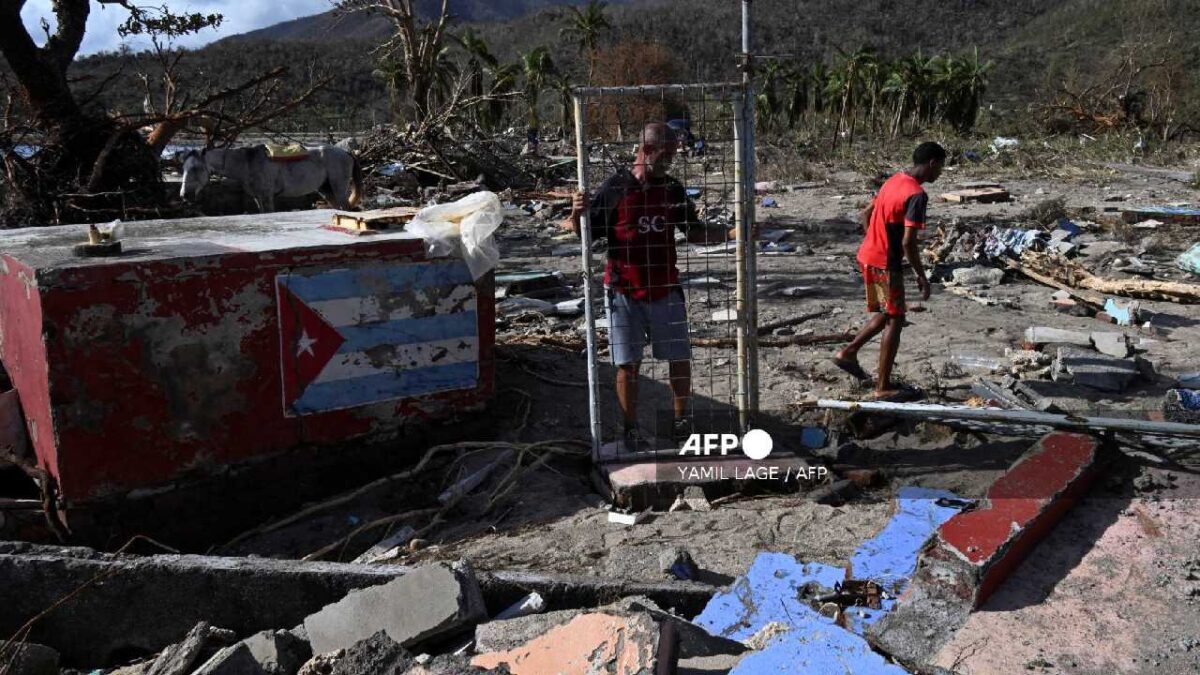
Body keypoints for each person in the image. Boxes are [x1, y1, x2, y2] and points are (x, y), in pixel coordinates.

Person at [563, 122, 739, 447]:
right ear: (646, 150)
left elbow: (694, 232)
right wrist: (576, 214)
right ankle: (630, 429)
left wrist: (732, 233)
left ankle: (681, 422)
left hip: (665, 289)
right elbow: (585, 234)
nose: (670, 161)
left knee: (679, 359)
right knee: (627, 364)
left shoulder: (672, 189)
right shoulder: (616, 188)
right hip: (623, 292)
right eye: (666, 154)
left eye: (673, 154)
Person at [833, 141, 945, 400]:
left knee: (889, 310)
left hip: (868, 255)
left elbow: (866, 214)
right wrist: (921, 275)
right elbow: (908, 242)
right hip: (886, 263)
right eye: (940, 167)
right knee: (895, 319)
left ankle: (848, 352)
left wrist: (874, 240)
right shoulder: (917, 195)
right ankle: (882, 387)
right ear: (932, 163)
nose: (940, 172)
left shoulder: (894, 180)